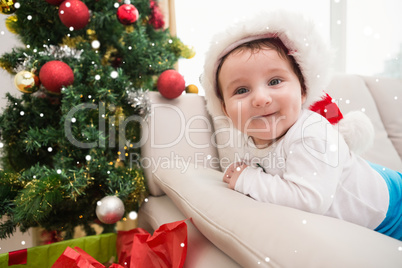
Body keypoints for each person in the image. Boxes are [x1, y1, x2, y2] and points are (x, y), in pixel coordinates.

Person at [201, 11, 402, 240]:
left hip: (392, 207)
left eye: (275, 81)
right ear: (225, 110)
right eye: (242, 90)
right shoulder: (251, 137)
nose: (260, 98)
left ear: (303, 90)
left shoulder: (312, 134)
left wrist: (248, 178)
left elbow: (310, 200)